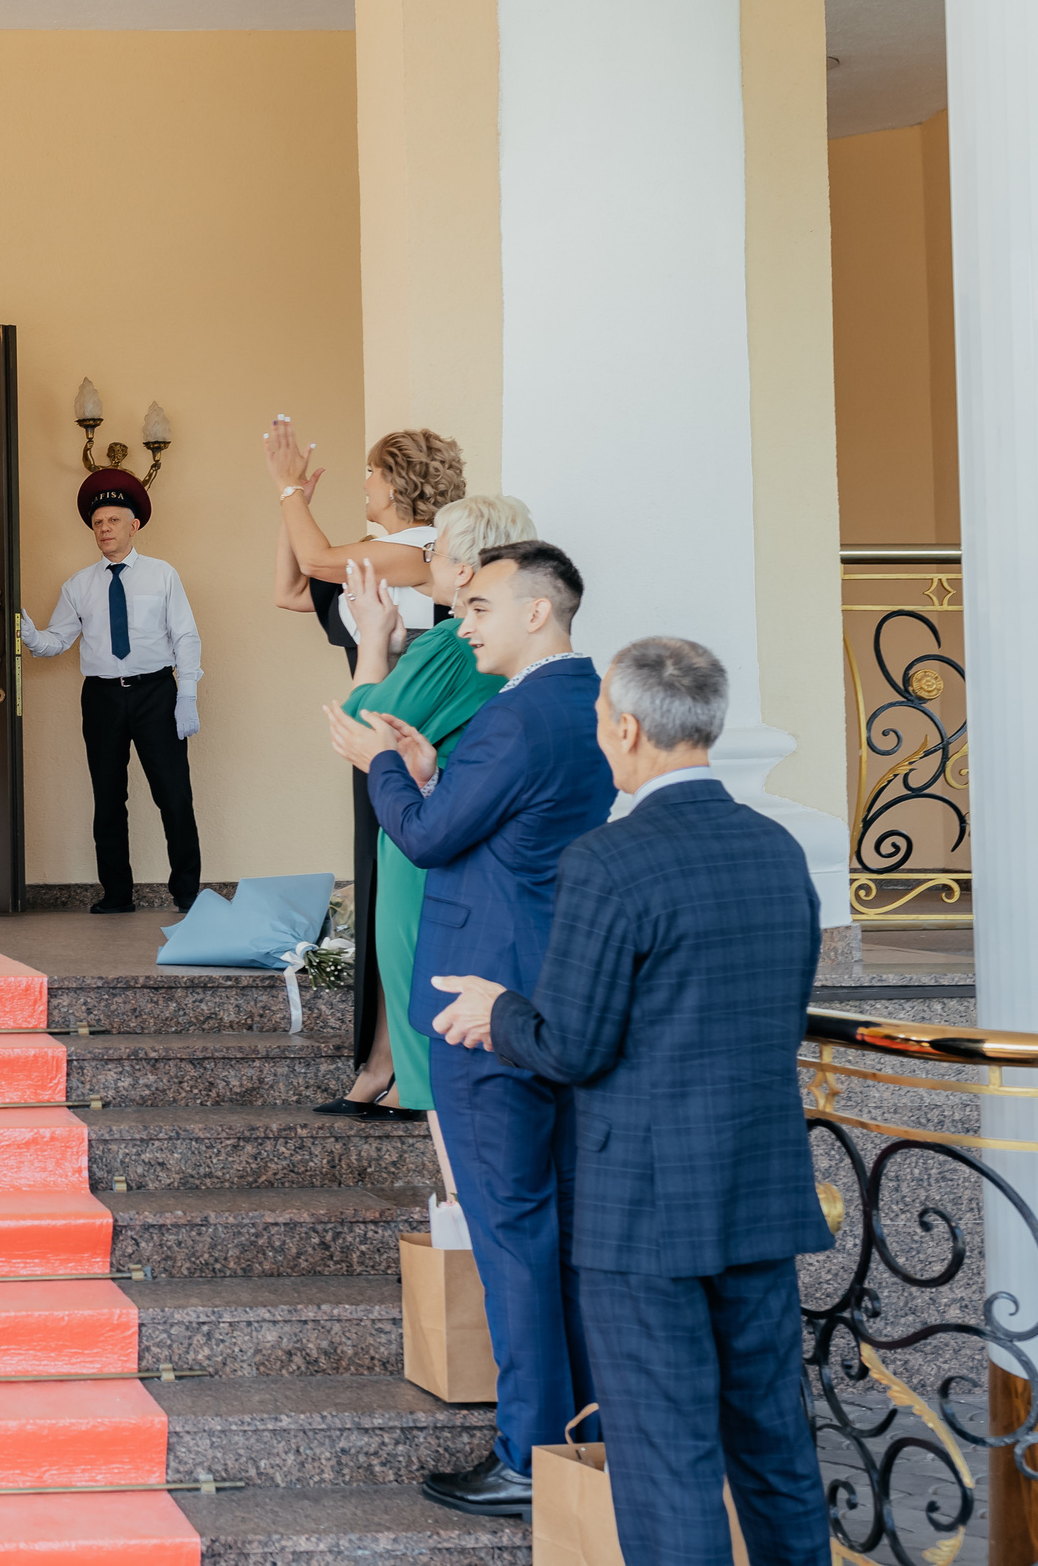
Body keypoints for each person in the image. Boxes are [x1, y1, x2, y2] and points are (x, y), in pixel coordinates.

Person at [427, 637, 830, 1565]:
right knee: (775, 1450)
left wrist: (498, 1012)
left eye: (603, 718)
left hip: (644, 1215)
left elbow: (571, 1044)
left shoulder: (610, 859)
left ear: (628, 727)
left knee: (667, 1462)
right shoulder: (779, 849)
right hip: (761, 1195)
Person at [323, 540, 614, 1518]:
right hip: (554, 1000)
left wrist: (384, 770)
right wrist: (433, 762)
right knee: (563, 1228)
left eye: (481, 607)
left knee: (511, 1234)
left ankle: (528, 1454)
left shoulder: (514, 719)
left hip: (479, 1007)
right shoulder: (589, 705)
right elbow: (507, 819)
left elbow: (427, 835)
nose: (467, 623)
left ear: (538, 612)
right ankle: (584, 1430)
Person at [267, 420, 468, 1119]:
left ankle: (388, 1065)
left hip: (405, 740)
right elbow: (293, 587)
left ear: (401, 482)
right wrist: (287, 506)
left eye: (373, 474)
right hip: (372, 730)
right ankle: (380, 1062)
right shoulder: (378, 555)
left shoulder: (418, 549)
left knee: (392, 903)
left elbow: (318, 556)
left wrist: (291, 486)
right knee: (380, 900)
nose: (366, 485)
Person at [320, 494, 535, 1118]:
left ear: (464, 570)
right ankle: (395, 1080)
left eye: (434, 549)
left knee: (414, 960)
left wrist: (372, 640)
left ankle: (415, 1097)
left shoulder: (451, 641)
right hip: (467, 816)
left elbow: (361, 726)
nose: (425, 559)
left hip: (429, 817)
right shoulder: (502, 638)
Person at [20, 467, 202, 914]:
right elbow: (57, 641)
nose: (104, 529)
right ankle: (117, 893)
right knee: (107, 797)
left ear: (133, 525)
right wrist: (26, 633)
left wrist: (187, 695)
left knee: (174, 794)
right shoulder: (78, 585)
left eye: (113, 520)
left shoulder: (162, 575)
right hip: (101, 697)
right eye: (98, 523)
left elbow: (186, 637)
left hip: (156, 692)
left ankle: (187, 892)